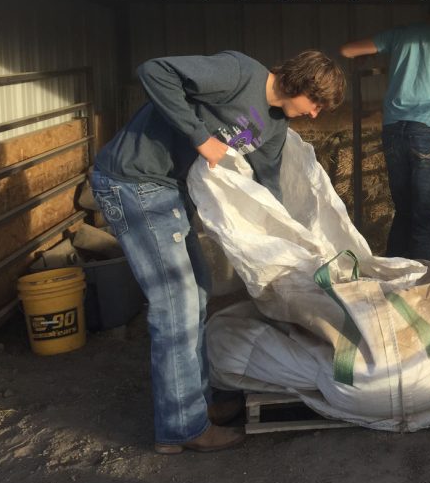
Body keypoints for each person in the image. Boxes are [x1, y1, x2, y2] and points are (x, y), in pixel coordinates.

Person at [89, 49, 344, 454]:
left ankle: (197, 405)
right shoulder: (240, 73)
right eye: (316, 104)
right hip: (134, 181)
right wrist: (200, 136)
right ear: (303, 85)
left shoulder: (274, 126)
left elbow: (268, 184)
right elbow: (154, 69)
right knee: (177, 304)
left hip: (169, 190)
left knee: (199, 290)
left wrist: (289, 242)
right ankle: (180, 430)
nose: (315, 115)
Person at [339, 0, 430, 261]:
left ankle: (393, 278)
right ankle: (422, 287)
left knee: (403, 210)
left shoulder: (401, 35)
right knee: (425, 217)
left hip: (393, 130)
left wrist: (363, 59)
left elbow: (347, 50)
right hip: (427, 131)